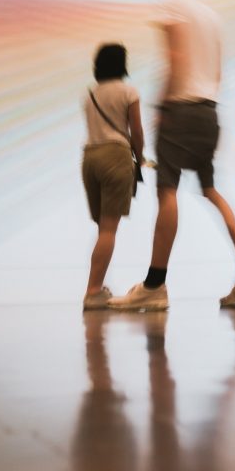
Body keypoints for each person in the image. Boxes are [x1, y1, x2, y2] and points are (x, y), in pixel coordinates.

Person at [110, 0, 235, 310]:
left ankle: (154, 284)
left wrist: (162, 106)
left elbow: (175, 56)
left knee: (167, 192)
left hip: (180, 108)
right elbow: (218, 70)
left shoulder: (170, 4)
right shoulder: (210, 15)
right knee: (210, 190)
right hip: (208, 111)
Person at [81, 43, 145, 310]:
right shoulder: (128, 91)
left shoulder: (90, 94)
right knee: (109, 230)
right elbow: (137, 131)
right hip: (115, 155)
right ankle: (93, 291)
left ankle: (96, 286)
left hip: (90, 157)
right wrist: (139, 159)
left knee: (102, 229)